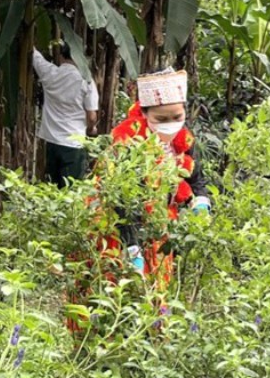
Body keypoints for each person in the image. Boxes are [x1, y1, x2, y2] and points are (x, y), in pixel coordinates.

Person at [109, 68, 209, 282]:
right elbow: (122, 201)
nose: (170, 124)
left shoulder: (184, 140)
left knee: (157, 291)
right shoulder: (127, 142)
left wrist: (201, 202)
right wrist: (133, 248)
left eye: (177, 116)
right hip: (121, 226)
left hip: (161, 225)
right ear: (144, 114)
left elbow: (197, 179)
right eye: (161, 118)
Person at [32, 42, 99, 186]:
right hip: (73, 143)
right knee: (70, 191)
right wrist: (91, 128)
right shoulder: (86, 81)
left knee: (52, 188)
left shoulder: (50, 73)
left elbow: (35, 57)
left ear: (61, 56)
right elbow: (92, 116)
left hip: (51, 141)